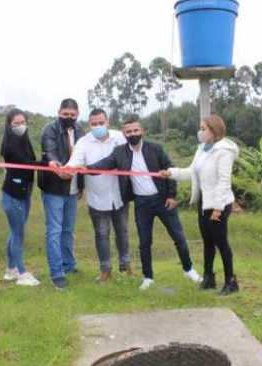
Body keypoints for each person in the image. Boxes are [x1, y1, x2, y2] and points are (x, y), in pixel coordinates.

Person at [87, 115, 202, 290]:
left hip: (163, 200)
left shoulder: (156, 149)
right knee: (144, 241)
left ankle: (188, 269)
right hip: (142, 204)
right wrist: (82, 169)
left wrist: (171, 196)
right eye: (129, 132)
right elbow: (102, 165)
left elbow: (170, 170)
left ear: (142, 131)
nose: (133, 134)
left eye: (136, 130)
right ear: (124, 134)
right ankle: (148, 277)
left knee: (178, 236)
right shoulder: (119, 152)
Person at [161, 115, 240, 295]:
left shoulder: (224, 151)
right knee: (207, 241)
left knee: (221, 242)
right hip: (204, 202)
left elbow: (224, 181)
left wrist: (218, 208)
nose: (200, 132)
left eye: (203, 128)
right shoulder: (202, 149)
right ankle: (209, 278)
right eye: (201, 128)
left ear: (214, 131)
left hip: (219, 203)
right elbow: (191, 171)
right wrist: (171, 173)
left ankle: (231, 281)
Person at [64, 108, 132, 282]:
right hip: (97, 197)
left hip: (120, 195)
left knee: (123, 231)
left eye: (101, 123)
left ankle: (126, 266)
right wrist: (65, 169)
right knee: (102, 234)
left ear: (108, 121)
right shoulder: (83, 143)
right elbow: (74, 162)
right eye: (94, 124)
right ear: (89, 125)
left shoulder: (120, 137)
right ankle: (105, 270)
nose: (98, 126)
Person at [37, 99, 85, 290]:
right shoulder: (49, 129)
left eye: (72, 115)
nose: (69, 118)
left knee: (68, 230)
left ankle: (69, 265)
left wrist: (80, 185)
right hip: (54, 188)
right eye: (65, 114)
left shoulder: (81, 131)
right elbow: (49, 151)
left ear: (77, 114)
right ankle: (57, 274)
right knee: (54, 231)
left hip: (73, 188)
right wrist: (55, 164)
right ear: (59, 112)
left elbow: (84, 156)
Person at [0, 108, 45, 287]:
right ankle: (21, 273)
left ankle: (10, 270)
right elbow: (26, 165)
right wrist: (45, 163)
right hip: (12, 195)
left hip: (24, 193)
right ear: (9, 126)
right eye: (15, 124)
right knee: (18, 233)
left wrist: (44, 161)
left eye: (22, 122)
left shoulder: (24, 141)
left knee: (14, 232)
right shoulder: (9, 145)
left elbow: (31, 161)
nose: (20, 126)